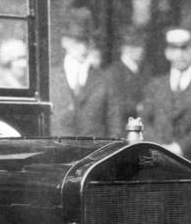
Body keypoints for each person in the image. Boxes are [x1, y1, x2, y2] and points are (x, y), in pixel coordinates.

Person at [141, 27, 191, 178]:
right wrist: (159, 148)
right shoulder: (155, 85)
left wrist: (178, 148)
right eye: (174, 49)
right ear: (167, 53)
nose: (180, 55)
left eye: (185, 49)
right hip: (157, 164)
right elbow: (144, 120)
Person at [49, 8, 122, 137]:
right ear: (64, 42)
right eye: (77, 42)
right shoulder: (50, 78)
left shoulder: (105, 80)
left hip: (95, 155)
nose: (83, 49)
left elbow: (114, 125)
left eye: (87, 43)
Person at [108, 25, 147, 127]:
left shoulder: (143, 71)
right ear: (125, 48)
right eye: (136, 46)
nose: (141, 50)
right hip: (121, 127)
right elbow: (115, 104)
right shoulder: (114, 72)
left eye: (141, 46)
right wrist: (138, 107)